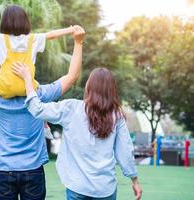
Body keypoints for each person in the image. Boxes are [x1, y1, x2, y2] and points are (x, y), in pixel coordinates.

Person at [0, 26, 85, 199]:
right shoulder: (39, 96)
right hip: (34, 171)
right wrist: (78, 42)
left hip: (4, 172)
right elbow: (71, 76)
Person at [13, 65, 143, 200]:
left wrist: (27, 79)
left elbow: (37, 109)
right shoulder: (117, 116)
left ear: (89, 86)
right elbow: (125, 151)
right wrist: (134, 180)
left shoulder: (71, 108)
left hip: (77, 187)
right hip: (105, 189)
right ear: (111, 91)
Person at [0, 5, 76, 147]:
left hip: (6, 88)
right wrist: (69, 30)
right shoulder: (32, 39)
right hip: (27, 88)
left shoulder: (0, 39)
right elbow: (51, 34)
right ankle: (45, 126)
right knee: (39, 95)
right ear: (25, 21)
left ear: (5, 22)